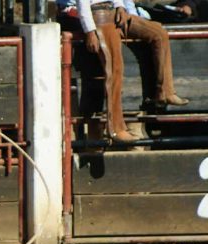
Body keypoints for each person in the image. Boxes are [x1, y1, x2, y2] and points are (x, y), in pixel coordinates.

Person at [56, 0, 189, 143]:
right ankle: (115, 128)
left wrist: (120, 6)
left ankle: (166, 90)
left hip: (112, 11)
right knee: (114, 67)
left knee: (159, 33)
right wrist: (89, 30)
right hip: (98, 15)